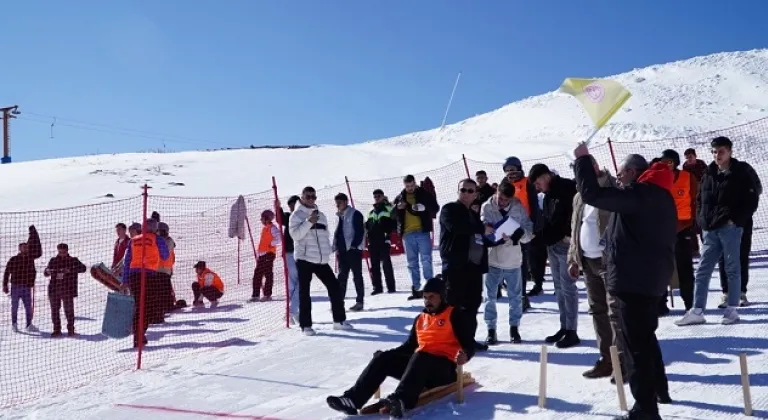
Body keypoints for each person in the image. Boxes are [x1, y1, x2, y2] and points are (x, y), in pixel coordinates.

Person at [573, 145, 675, 420]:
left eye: (620, 175)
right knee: (645, 338)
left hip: (635, 282)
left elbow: (592, 194)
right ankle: (659, 391)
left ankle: (645, 409)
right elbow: (609, 198)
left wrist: (581, 160)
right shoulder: (657, 194)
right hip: (647, 279)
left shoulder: (641, 194)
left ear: (632, 172)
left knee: (635, 346)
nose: (618, 180)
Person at [325, 276, 475, 419]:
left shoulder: (454, 315)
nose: (427, 301)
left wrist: (465, 355)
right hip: (420, 368)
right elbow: (408, 348)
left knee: (421, 355)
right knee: (384, 358)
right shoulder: (421, 319)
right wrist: (384, 356)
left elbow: (469, 344)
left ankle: (401, 400)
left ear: (442, 296)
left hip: (443, 370)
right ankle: (352, 400)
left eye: (432, 297)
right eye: (425, 297)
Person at [675, 136, 761, 326]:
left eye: (721, 151)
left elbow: (751, 199)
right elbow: (699, 199)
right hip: (710, 229)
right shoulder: (708, 173)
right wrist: (701, 220)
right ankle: (697, 310)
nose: (717, 155)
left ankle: (731, 310)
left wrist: (735, 220)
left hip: (730, 228)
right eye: (714, 152)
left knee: (732, 268)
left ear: (730, 151)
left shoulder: (741, 172)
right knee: (703, 270)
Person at [566, 155, 624, 378]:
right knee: (597, 310)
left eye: (584, 172)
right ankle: (607, 359)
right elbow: (575, 229)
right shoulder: (579, 197)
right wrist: (573, 258)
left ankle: (622, 361)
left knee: (615, 312)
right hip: (588, 261)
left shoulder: (610, 189)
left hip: (609, 260)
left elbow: (609, 184)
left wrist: (596, 173)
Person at [528, 163, 580, 348]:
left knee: (568, 288)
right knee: (558, 288)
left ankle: (572, 331)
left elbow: (562, 222)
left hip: (566, 245)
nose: (537, 187)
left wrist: (539, 237)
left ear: (544, 176)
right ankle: (564, 327)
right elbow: (549, 221)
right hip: (553, 245)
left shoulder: (566, 188)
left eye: (537, 183)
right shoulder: (548, 194)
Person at [289, 186, 352, 336]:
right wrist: (308, 222)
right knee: (305, 292)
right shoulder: (296, 216)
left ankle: (339, 320)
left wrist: (327, 252)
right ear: (302, 197)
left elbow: (325, 236)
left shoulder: (321, 215)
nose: (311, 199)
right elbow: (296, 235)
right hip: (304, 259)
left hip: (321, 260)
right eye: (307, 196)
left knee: (335, 286)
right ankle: (306, 325)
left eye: (313, 196)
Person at [439, 178, 493, 351]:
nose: (466, 194)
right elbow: (456, 227)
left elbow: (480, 238)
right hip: (456, 266)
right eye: (463, 190)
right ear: (458, 191)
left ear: (476, 194)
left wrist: (500, 237)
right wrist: (481, 229)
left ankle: (468, 340)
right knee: (453, 306)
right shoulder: (449, 209)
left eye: (470, 191)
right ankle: (449, 340)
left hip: (474, 267)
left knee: (472, 305)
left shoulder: (473, 215)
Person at [481, 180, 532, 345]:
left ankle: (514, 328)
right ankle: (491, 329)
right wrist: (487, 230)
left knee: (515, 297)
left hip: (513, 260)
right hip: (492, 260)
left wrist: (517, 235)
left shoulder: (518, 208)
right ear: (496, 192)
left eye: (505, 200)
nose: (501, 202)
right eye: (499, 198)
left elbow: (528, 231)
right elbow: (481, 229)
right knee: (489, 297)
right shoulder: (486, 207)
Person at [658, 149, 698, 312]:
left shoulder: (688, 178)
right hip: (661, 229)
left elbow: (696, 200)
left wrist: (693, 223)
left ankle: (690, 303)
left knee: (685, 268)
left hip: (683, 228)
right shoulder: (657, 179)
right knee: (660, 268)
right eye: (664, 161)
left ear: (676, 162)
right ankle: (661, 304)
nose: (666, 165)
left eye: (670, 161)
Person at [121, 218, 170, 347]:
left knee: (138, 304)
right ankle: (140, 332)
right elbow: (165, 256)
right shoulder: (157, 239)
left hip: (133, 275)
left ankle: (137, 334)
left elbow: (127, 261)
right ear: (155, 229)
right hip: (149, 274)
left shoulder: (134, 240)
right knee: (148, 305)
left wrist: (124, 280)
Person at [393, 175, 440, 300]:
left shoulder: (424, 194)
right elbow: (392, 214)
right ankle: (416, 288)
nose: (409, 188)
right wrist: (397, 208)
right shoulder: (400, 197)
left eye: (411, 185)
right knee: (412, 262)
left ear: (415, 183)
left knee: (426, 259)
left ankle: (429, 286)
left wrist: (424, 207)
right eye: (407, 186)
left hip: (422, 231)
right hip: (407, 234)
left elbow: (435, 207)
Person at [502, 156, 540, 306]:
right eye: (507, 170)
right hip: (508, 228)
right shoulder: (504, 184)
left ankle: (522, 296)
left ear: (519, 168)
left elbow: (534, 206)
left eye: (513, 169)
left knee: (521, 263)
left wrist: (534, 226)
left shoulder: (527, 182)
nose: (510, 173)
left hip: (523, 227)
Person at [44, 243, 87, 337]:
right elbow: (46, 273)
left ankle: (71, 329)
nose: (61, 254)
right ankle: (56, 329)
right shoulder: (53, 260)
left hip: (67, 289)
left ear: (67, 251)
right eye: (60, 252)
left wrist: (70, 270)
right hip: (54, 288)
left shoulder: (73, 260)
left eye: (63, 252)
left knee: (69, 310)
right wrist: (48, 271)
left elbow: (83, 268)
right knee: (54, 310)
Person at [333, 192, 366, 311]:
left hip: (353, 251)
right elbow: (337, 233)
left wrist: (354, 246)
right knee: (342, 277)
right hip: (342, 251)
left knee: (357, 276)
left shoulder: (355, 214)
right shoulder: (338, 216)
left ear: (346, 202)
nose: (338, 205)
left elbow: (360, 231)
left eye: (339, 203)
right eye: (336, 204)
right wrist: (335, 247)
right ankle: (339, 302)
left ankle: (360, 302)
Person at [365, 189, 396, 294]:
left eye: (379, 196)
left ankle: (391, 287)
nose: (377, 198)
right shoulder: (371, 212)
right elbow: (367, 226)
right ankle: (377, 288)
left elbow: (394, 220)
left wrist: (388, 233)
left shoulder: (388, 208)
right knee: (374, 265)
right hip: (373, 241)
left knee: (386, 264)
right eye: (375, 196)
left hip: (384, 239)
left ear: (383, 196)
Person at [3, 243, 38, 332]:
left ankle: (29, 324)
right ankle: (14, 324)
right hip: (15, 287)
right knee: (14, 306)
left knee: (28, 307)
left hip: (26, 287)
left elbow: (33, 272)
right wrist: (5, 285)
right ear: (19, 249)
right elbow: (7, 272)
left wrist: (31, 282)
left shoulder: (30, 259)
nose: (25, 249)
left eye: (26, 247)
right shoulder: (13, 259)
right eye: (23, 247)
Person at [251, 210, 282, 302]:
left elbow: (279, 237)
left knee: (267, 274)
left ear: (267, 219)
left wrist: (271, 244)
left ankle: (267, 295)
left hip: (268, 254)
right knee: (258, 275)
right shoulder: (265, 228)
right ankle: (255, 296)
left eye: (262, 218)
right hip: (263, 254)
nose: (261, 220)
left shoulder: (273, 228)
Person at [280, 195, 301, 324]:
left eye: (293, 204)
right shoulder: (288, 217)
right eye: (290, 205)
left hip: (301, 253)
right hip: (289, 253)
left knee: (301, 283)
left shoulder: (304, 217)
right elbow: (280, 218)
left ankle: (292, 311)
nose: (292, 207)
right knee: (293, 285)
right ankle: (294, 312)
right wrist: (278, 206)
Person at [156, 222, 177, 314]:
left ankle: (168, 306)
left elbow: (162, 252)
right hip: (159, 268)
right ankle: (165, 306)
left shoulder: (168, 241)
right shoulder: (162, 240)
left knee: (165, 288)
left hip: (165, 269)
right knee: (162, 289)